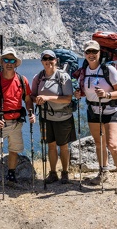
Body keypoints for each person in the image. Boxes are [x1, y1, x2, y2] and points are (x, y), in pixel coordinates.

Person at [0, 47, 35, 197]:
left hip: (17, 122)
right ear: (2, 62)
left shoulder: (22, 80)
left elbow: (28, 100)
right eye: (6, 60)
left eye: (12, 60)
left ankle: (11, 176)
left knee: (14, 150)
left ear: (16, 63)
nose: (9, 63)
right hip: (0, 122)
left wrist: (31, 113)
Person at [74, 40, 117, 194]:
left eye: (94, 52)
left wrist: (107, 94)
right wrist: (79, 94)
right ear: (84, 54)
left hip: (111, 110)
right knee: (98, 143)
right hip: (93, 110)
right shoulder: (84, 71)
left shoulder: (108, 69)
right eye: (88, 52)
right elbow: (85, 90)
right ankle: (103, 173)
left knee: (112, 145)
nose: (91, 55)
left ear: (99, 53)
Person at [31, 50, 76, 184]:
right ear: (41, 61)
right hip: (45, 118)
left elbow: (68, 99)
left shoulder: (63, 76)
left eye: (51, 58)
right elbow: (32, 96)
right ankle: (52, 173)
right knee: (51, 146)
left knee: (63, 146)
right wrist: (37, 100)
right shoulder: (38, 77)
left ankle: (65, 173)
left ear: (56, 60)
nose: (48, 61)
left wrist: (47, 97)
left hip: (63, 117)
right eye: (45, 58)